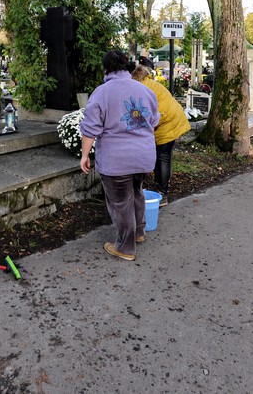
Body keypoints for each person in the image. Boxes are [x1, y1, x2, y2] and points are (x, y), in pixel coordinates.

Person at [80, 50, 160, 261]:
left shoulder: (102, 92)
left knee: (120, 203)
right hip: (143, 157)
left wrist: (85, 155)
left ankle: (125, 247)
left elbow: (90, 129)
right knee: (136, 192)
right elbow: (154, 121)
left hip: (117, 160)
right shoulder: (145, 90)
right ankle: (139, 232)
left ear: (106, 68)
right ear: (128, 67)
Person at [133, 59, 190, 206]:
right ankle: (159, 188)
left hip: (166, 122)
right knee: (161, 156)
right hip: (169, 118)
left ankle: (162, 193)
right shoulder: (147, 82)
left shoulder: (141, 88)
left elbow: (151, 115)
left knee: (162, 157)